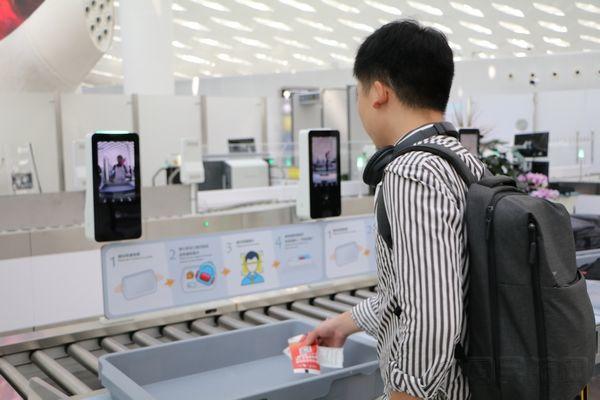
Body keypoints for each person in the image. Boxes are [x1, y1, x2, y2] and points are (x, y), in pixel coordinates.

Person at [305, 20, 486, 400]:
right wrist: (345, 323)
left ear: (377, 92)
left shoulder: (410, 173)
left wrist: (404, 394)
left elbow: (433, 314)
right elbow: (419, 289)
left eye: (357, 92)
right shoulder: (463, 161)